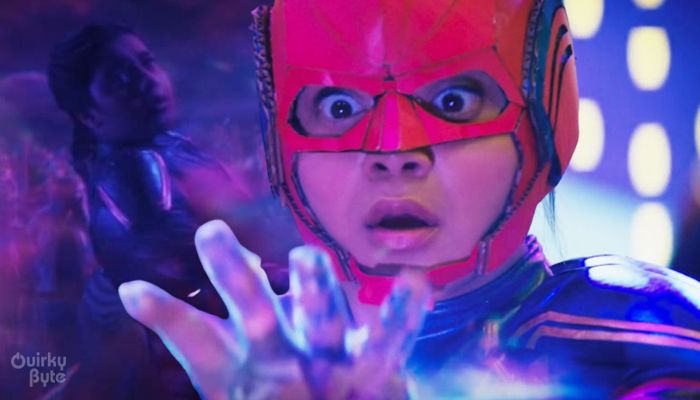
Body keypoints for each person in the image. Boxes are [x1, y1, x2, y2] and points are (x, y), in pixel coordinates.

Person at [119, 0, 700, 398]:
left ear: (547, 106)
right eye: (339, 107)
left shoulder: (638, 338)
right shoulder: (233, 355)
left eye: (452, 101)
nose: (394, 150)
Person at [47, 23, 301, 398]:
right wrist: (293, 281)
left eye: (147, 63)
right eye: (119, 78)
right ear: (88, 114)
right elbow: (187, 286)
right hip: (217, 369)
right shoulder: (135, 171)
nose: (147, 81)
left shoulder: (165, 148)